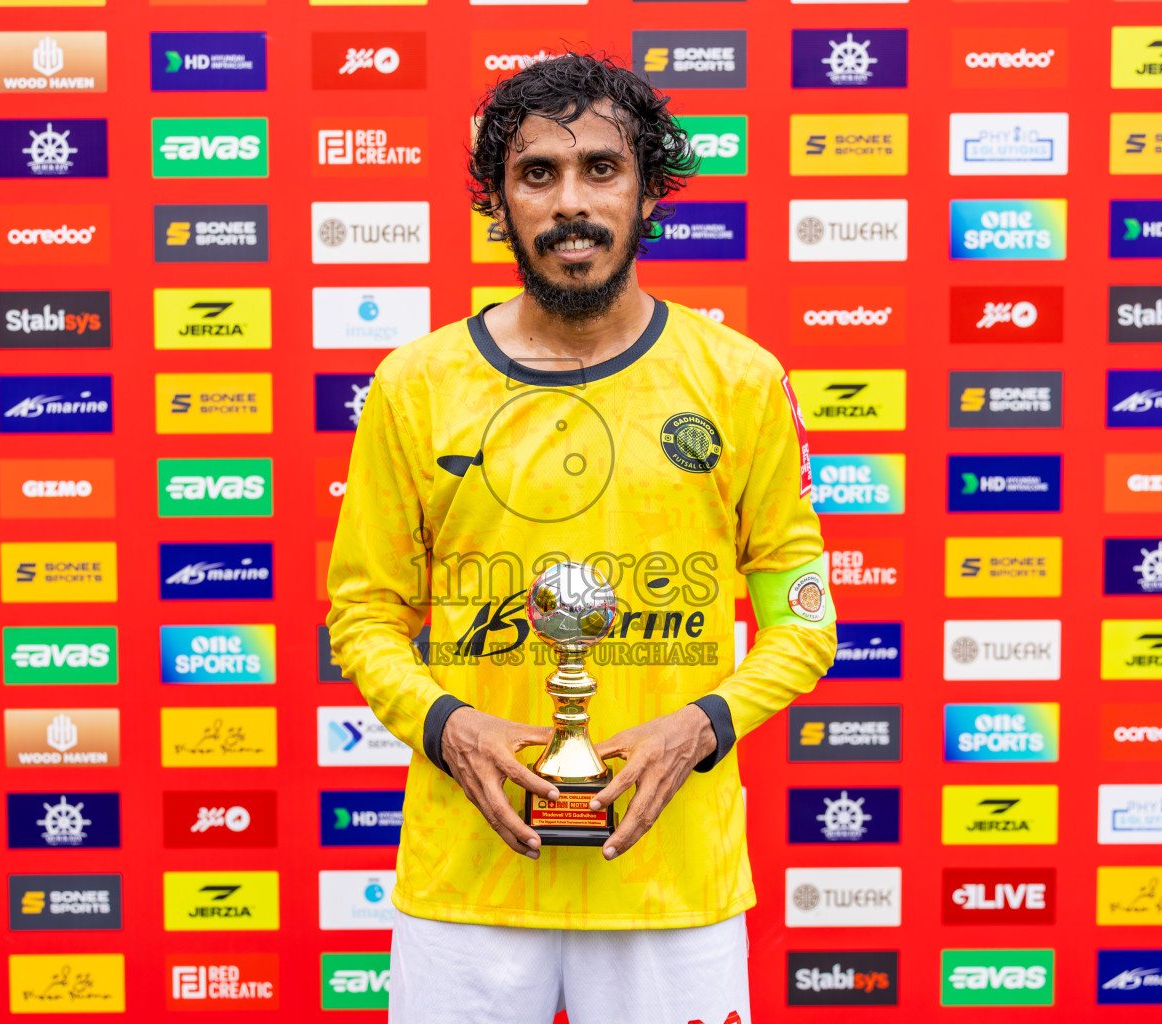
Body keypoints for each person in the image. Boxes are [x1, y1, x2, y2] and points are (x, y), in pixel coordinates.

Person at [327, 52, 838, 1024]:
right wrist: (450, 725)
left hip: (669, 876)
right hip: (471, 878)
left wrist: (702, 725)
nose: (571, 201)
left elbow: (800, 618)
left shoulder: (739, 380)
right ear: (499, 200)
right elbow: (362, 613)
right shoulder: (416, 385)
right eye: (537, 174)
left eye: (601, 168)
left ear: (649, 192)